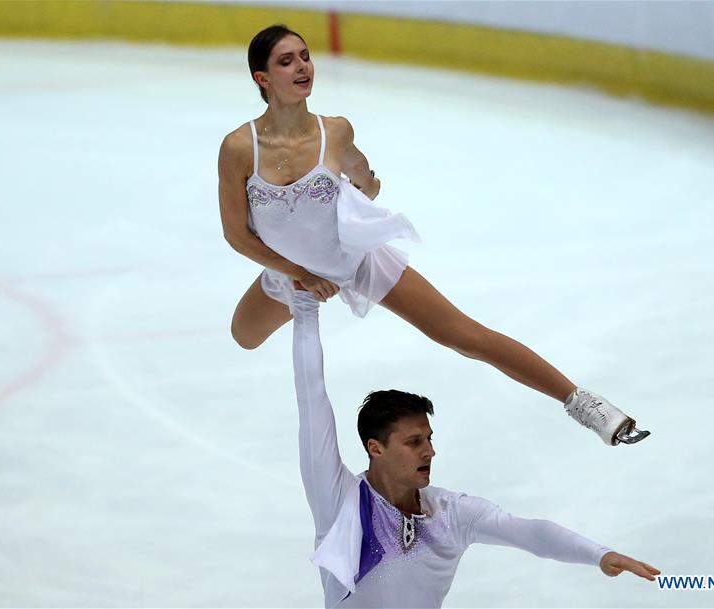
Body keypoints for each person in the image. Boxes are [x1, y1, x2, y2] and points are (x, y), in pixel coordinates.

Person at [218, 23, 649, 445]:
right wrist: (298, 271)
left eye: (306, 56)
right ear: (262, 78)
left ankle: (585, 404)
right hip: (290, 272)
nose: (302, 67)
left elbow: (364, 176)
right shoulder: (240, 147)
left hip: (355, 260)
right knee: (244, 336)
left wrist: (361, 192)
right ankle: (298, 280)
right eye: (287, 61)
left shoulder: (336, 131)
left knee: (463, 336)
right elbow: (236, 235)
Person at [289, 289, 660, 607]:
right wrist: (305, 305)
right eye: (414, 442)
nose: (430, 451)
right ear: (376, 448)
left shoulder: (450, 515)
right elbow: (312, 398)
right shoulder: (339, 501)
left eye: (430, 439)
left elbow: (529, 532)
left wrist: (599, 555)